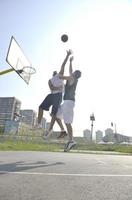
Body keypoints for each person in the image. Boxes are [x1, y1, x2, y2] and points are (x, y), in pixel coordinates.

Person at [36, 50, 72, 136]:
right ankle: (39, 124)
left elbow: (63, 65)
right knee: (41, 107)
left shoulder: (57, 78)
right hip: (53, 95)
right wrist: (67, 55)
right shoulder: (55, 77)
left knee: (53, 114)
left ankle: (50, 129)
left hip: (57, 96)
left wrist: (67, 56)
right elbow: (51, 87)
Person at [56, 56, 82, 151]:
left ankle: (71, 140)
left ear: (74, 74)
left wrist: (59, 76)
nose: (72, 72)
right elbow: (71, 71)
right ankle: (63, 132)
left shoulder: (71, 78)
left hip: (68, 102)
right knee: (56, 115)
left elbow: (61, 77)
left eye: (73, 72)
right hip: (66, 102)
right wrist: (70, 62)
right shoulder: (73, 78)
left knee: (67, 122)